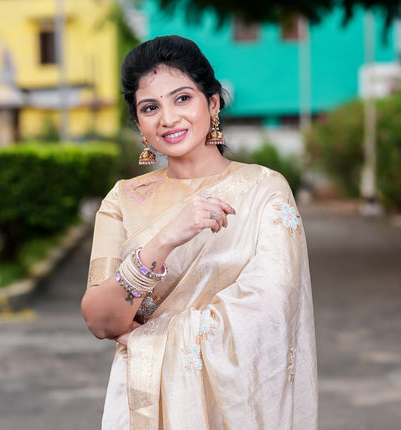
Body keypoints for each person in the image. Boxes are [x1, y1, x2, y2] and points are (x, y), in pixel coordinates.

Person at [81, 35, 318, 429]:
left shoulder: (264, 190)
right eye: (150, 107)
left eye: (182, 98)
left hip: (236, 410)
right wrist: (166, 238)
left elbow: (270, 312)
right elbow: (101, 321)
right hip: (143, 407)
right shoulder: (123, 199)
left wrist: (151, 338)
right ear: (139, 123)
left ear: (213, 103)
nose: (168, 118)